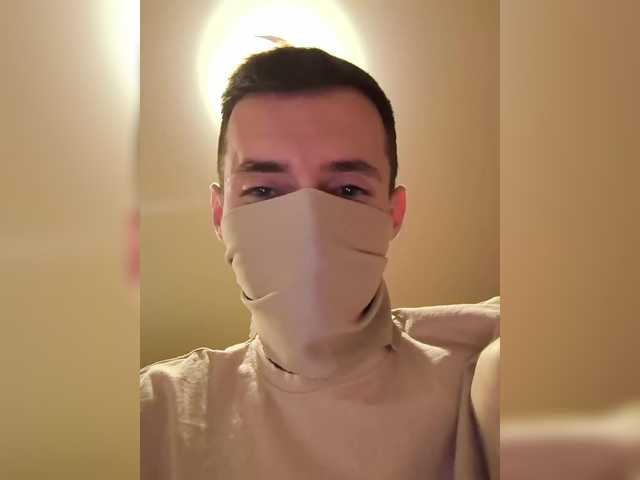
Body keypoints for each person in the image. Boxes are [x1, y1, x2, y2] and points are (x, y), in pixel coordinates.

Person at [140, 46, 500, 480]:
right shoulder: (156, 416)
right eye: (264, 191)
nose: (308, 222)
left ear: (394, 213)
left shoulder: (479, 374)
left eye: (348, 190)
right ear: (220, 214)